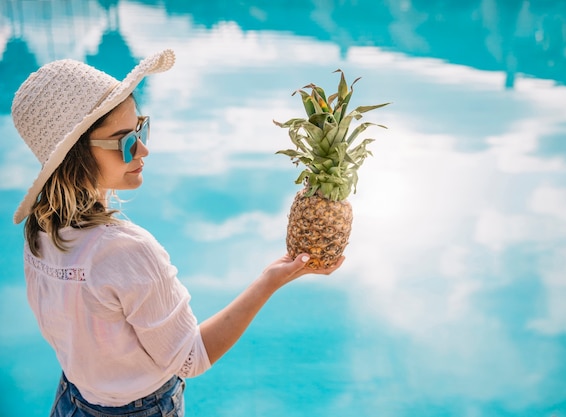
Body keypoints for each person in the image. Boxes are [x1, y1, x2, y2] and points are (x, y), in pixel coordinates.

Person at [11, 49, 344, 417]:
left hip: (73, 400)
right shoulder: (125, 250)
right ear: (75, 156)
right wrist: (270, 280)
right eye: (124, 141)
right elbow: (190, 359)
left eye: (141, 128)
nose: (143, 148)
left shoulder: (39, 231)